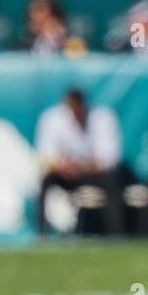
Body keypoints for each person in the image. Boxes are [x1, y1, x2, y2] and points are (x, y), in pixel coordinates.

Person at [35, 88, 127, 235]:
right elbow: (45, 154)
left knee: (113, 180)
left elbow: (110, 158)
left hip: (96, 175)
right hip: (66, 175)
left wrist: (85, 166)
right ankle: (40, 233)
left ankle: (115, 233)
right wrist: (63, 166)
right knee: (45, 179)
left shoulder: (102, 117)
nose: (75, 110)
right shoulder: (52, 118)